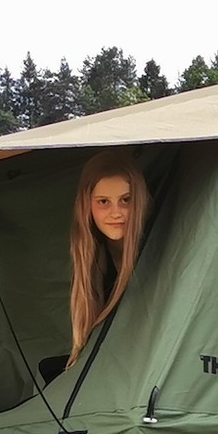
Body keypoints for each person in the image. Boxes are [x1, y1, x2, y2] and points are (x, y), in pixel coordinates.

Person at [67, 150, 152, 365]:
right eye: (103, 202)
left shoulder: (158, 242)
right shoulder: (92, 251)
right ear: (87, 206)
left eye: (125, 200)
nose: (116, 213)